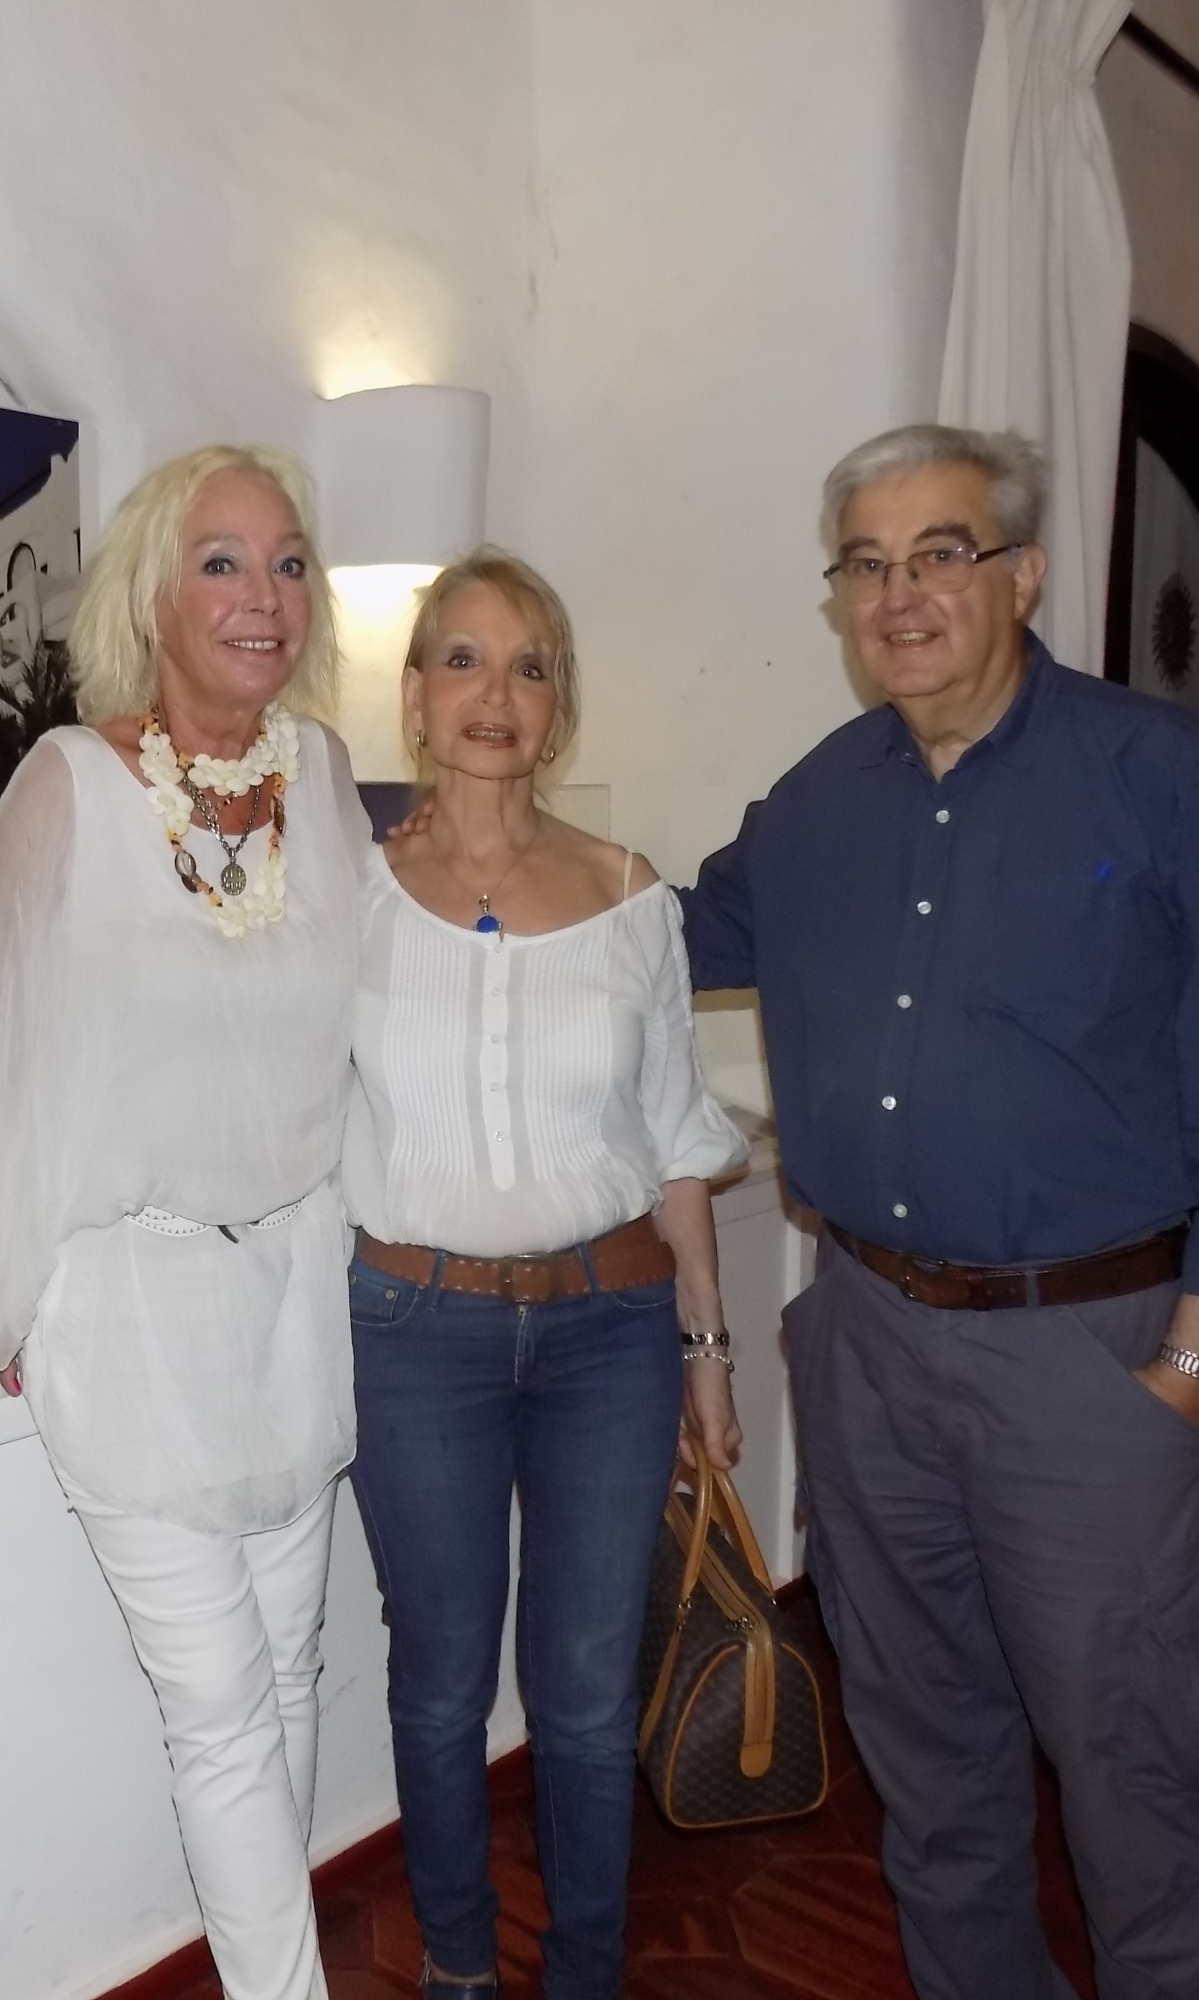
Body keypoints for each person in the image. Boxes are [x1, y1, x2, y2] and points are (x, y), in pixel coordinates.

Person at [680, 424, 1199, 2000]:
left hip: (1094, 1357)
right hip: (868, 1350)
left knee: (1137, 1766)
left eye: (940, 552)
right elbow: (648, 945)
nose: (900, 594)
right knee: (925, 1754)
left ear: (1020, 572)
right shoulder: (812, 805)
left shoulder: (1159, 777)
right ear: (837, 597)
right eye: (865, 564)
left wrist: (1198, 1377)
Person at [0, 445, 372, 2000]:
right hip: (127, 1305)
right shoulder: (68, 785)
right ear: (151, 597)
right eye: (222, 562)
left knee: (292, 1677)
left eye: (288, 561)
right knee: (222, 1711)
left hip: (295, 1294)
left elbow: (379, 1013)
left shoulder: (319, 781)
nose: (265, 598)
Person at [342, 551, 746, 1999]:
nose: (491, 694)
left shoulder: (631, 897)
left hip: (607, 1337)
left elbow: (676, 1144)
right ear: (412, 694)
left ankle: (583, 1974)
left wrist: (705, 1353)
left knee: (580, 1701)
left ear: (557, 702)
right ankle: (456, 1968)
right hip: (411, 1334)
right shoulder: (347, 899)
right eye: (461, 659)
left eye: (525, 666)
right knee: (440, 1689)